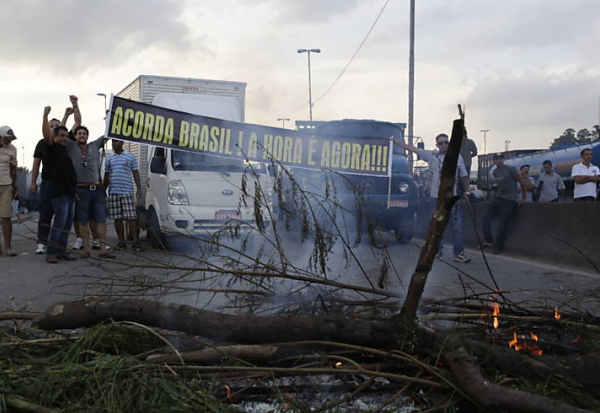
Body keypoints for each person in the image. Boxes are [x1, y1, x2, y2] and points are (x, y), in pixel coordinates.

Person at [394, 133, 471, 263]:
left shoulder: (457, 158)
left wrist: (467, 192)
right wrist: (395, 141)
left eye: (446, 142)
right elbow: (412, 148)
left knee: (456, 228)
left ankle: (459, 253)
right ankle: (437, 253)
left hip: (452, 198)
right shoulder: (432, 156)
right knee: (436, 227)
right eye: (441, 143)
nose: (444, 145)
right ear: (437, 145)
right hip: (436, 199)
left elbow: (464, 176)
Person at [31, 104, 79, 254]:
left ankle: (61, 249)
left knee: (65, 220)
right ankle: (44, 243)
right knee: (47, 213)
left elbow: (64, 131)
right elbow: (36, 163)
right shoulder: (46, 144)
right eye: (51, 126)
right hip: (49, 183)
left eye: (56, 126)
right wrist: (33, 182)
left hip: (65, 186)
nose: (53, 127)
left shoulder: (64, 146)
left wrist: (68, 113)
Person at [66, 124, 114, 258]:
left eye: (84, 133)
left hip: (97, 189)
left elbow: (108, 134)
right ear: (74, 136)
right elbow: (60, 133)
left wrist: (114, 117)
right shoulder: (71, 147)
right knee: (83, 221)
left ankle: (103, 249)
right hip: (81, 190)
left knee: (101, 220)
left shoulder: (94, 145)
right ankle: (86, 251)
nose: (82, 135)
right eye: (79, 133)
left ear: (88, 136)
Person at [42, 108, 78, 263]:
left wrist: (74, 192)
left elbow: (68, 175)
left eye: (66, 136)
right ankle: (51, 252)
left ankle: (62, 251)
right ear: (54, 137)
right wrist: (45, 116)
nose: (64, 138)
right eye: (61, 136)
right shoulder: (51, 148)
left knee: (67, 224)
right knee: (59, 222)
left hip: (69, 193)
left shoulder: (64, 150)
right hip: (59, 193)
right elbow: (47, 133)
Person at [482, 154, 533, 254]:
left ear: (503, 160)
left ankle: (498, 247)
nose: (499, 161)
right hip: (498, 199)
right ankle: (488, 240)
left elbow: (522, 182)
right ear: (494, 161)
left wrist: (523, 197)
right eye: (496, 159)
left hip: (509, 201)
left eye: (501, 159)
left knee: (503, 225)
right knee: (485, 219)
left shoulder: (511, 169)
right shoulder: (495, 172)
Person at [104, 139, 144, 252]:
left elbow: (136, 172)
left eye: (117, 142)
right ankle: (121, 242)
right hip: (113, 192)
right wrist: (103, 190)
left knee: (131, 218)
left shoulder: (130, 156)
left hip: (127, 192)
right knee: (117, 218)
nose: (114, 144)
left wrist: (139, 189)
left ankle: (135, 242)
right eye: (113, 142)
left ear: (122, 143)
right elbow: (106, 176)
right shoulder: (109, 158)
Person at [0, 126, 18, 257]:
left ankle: (8, 247)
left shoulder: (12, 149)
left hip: (6, 185)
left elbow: (13, 169)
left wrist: (14, 187)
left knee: (6, 217)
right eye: (8, 138)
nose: (10, 140)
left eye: (11, 138)